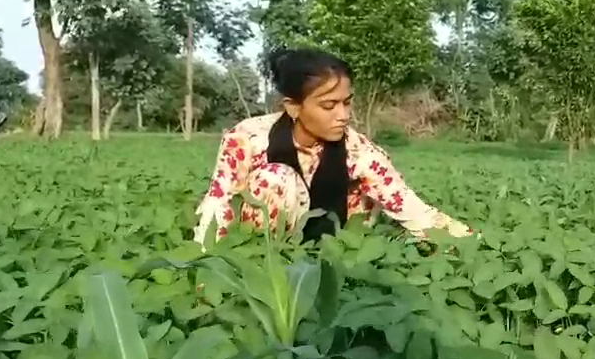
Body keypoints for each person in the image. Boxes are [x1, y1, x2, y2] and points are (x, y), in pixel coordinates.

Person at [193, 48, 474, 246]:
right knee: (275, 179)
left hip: (334, 239)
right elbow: (219, 204)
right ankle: (264, 261)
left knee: (381, 203)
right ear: (293, 107)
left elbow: (410, 206)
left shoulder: (357, 149)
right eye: (329, 105)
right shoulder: (247, 138)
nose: (343, 115)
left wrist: (472, 243)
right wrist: (207, 269)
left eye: (347, 102)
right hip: (267, 241)